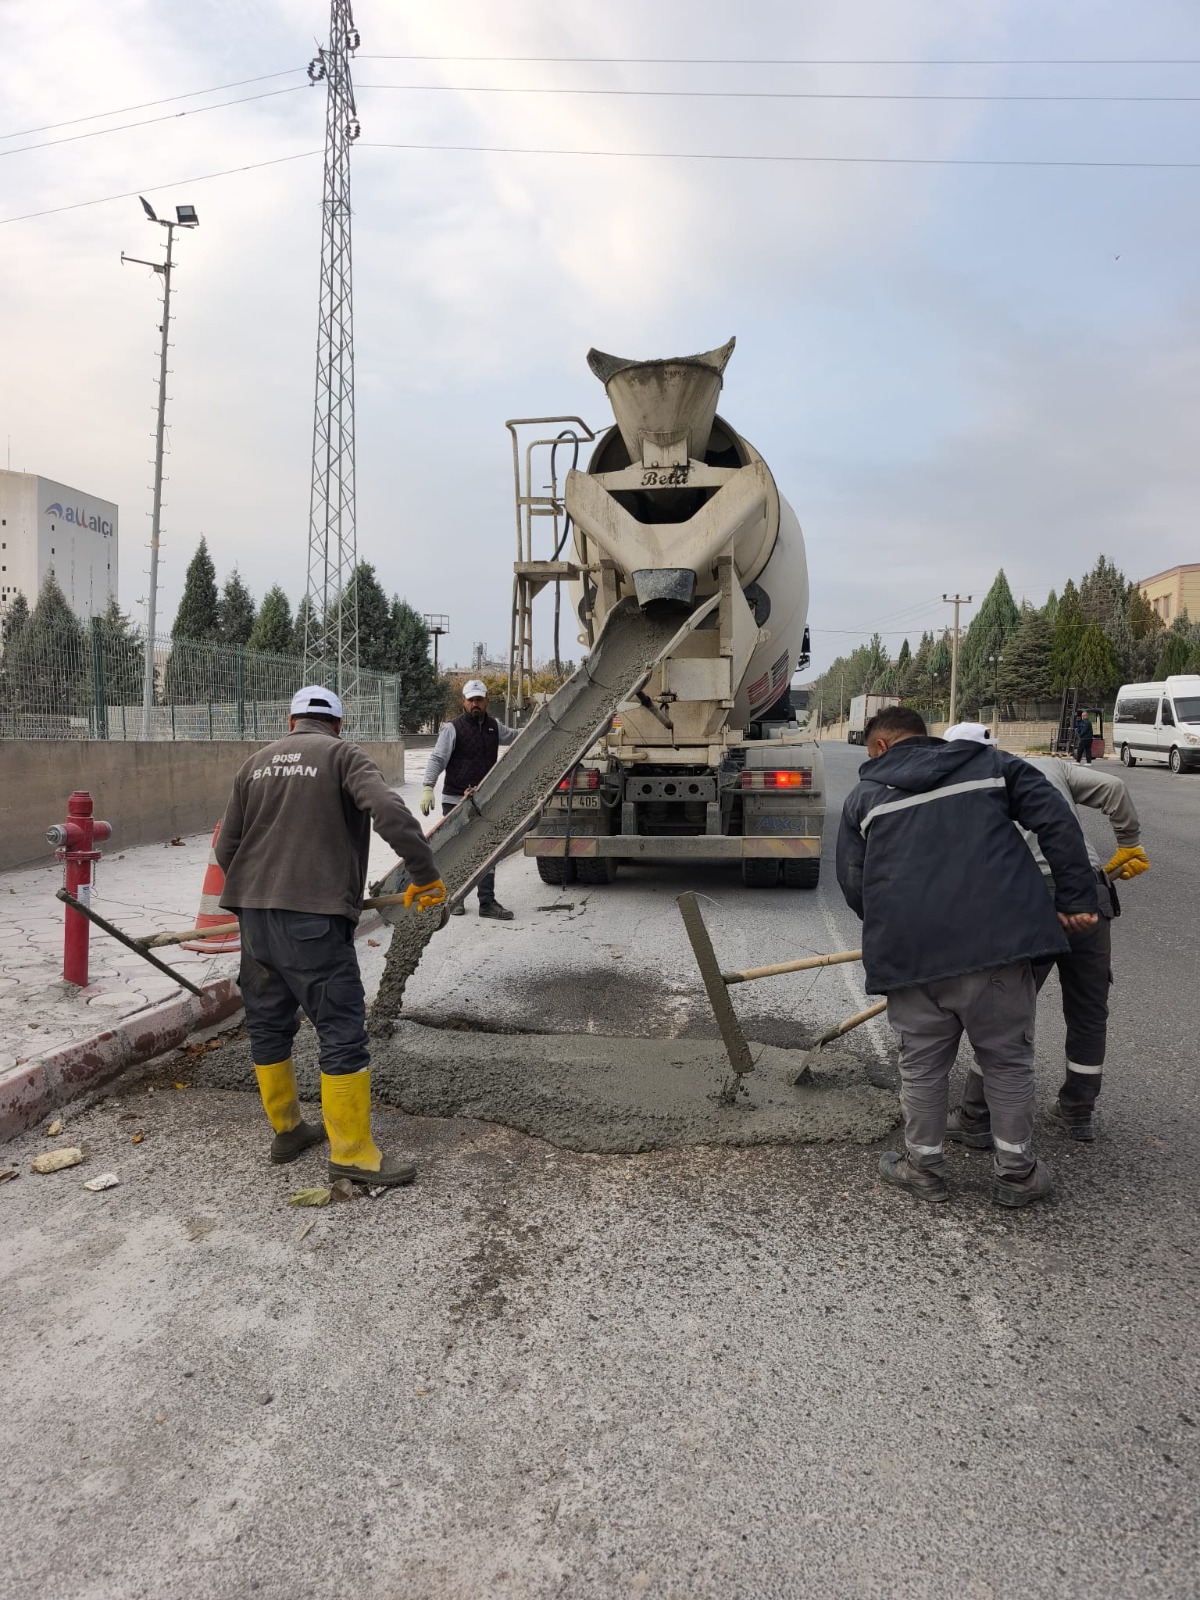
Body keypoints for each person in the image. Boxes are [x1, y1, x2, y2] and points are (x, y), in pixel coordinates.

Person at [836, 707, 1098, 1208]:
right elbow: (1057, 821)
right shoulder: (993, 767)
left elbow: (854, 882)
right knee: (1006, 1061)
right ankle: (1017, 1175)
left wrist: (899, 928)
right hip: (997, 951)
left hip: (912, 960)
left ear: (880, 747)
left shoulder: (864, 798)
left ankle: (923, 1167)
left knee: (922, 1064)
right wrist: (1077, 899)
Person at [216, 686, 446, 1186]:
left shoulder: (254, 764)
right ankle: (353, 1153)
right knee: (340, 1029)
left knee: (268, 1024)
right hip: (313, 922)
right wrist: (425, 876)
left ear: (291, 718)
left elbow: (225, 848)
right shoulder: (343, 755)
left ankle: (289, 1130)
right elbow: (390, 813)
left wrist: (262, 890)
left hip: (254, 919)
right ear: (338, 724)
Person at [942, 726, 1149, 1144]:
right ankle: (1077, 1111)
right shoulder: (1045, 765)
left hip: (1025, 900)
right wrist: (1128, 843)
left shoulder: (960, 783)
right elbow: (1114, 786)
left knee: (1001, 1012)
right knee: (1089, 1008)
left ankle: (976, 1116)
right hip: (1088, 892)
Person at [421, 678, 519, 920]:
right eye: (471, 699)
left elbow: (518, 736)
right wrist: (427, 787)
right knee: (459, 850)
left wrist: (542, 723)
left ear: (486, 701)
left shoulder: (494, 727)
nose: (475, 703)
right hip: (455, 799)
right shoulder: (452, 728)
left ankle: (487, 902)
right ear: (464, 702)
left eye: (479, 699)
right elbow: (437, 759)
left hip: (485, 800)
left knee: (487, 851)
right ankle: (455, 899)